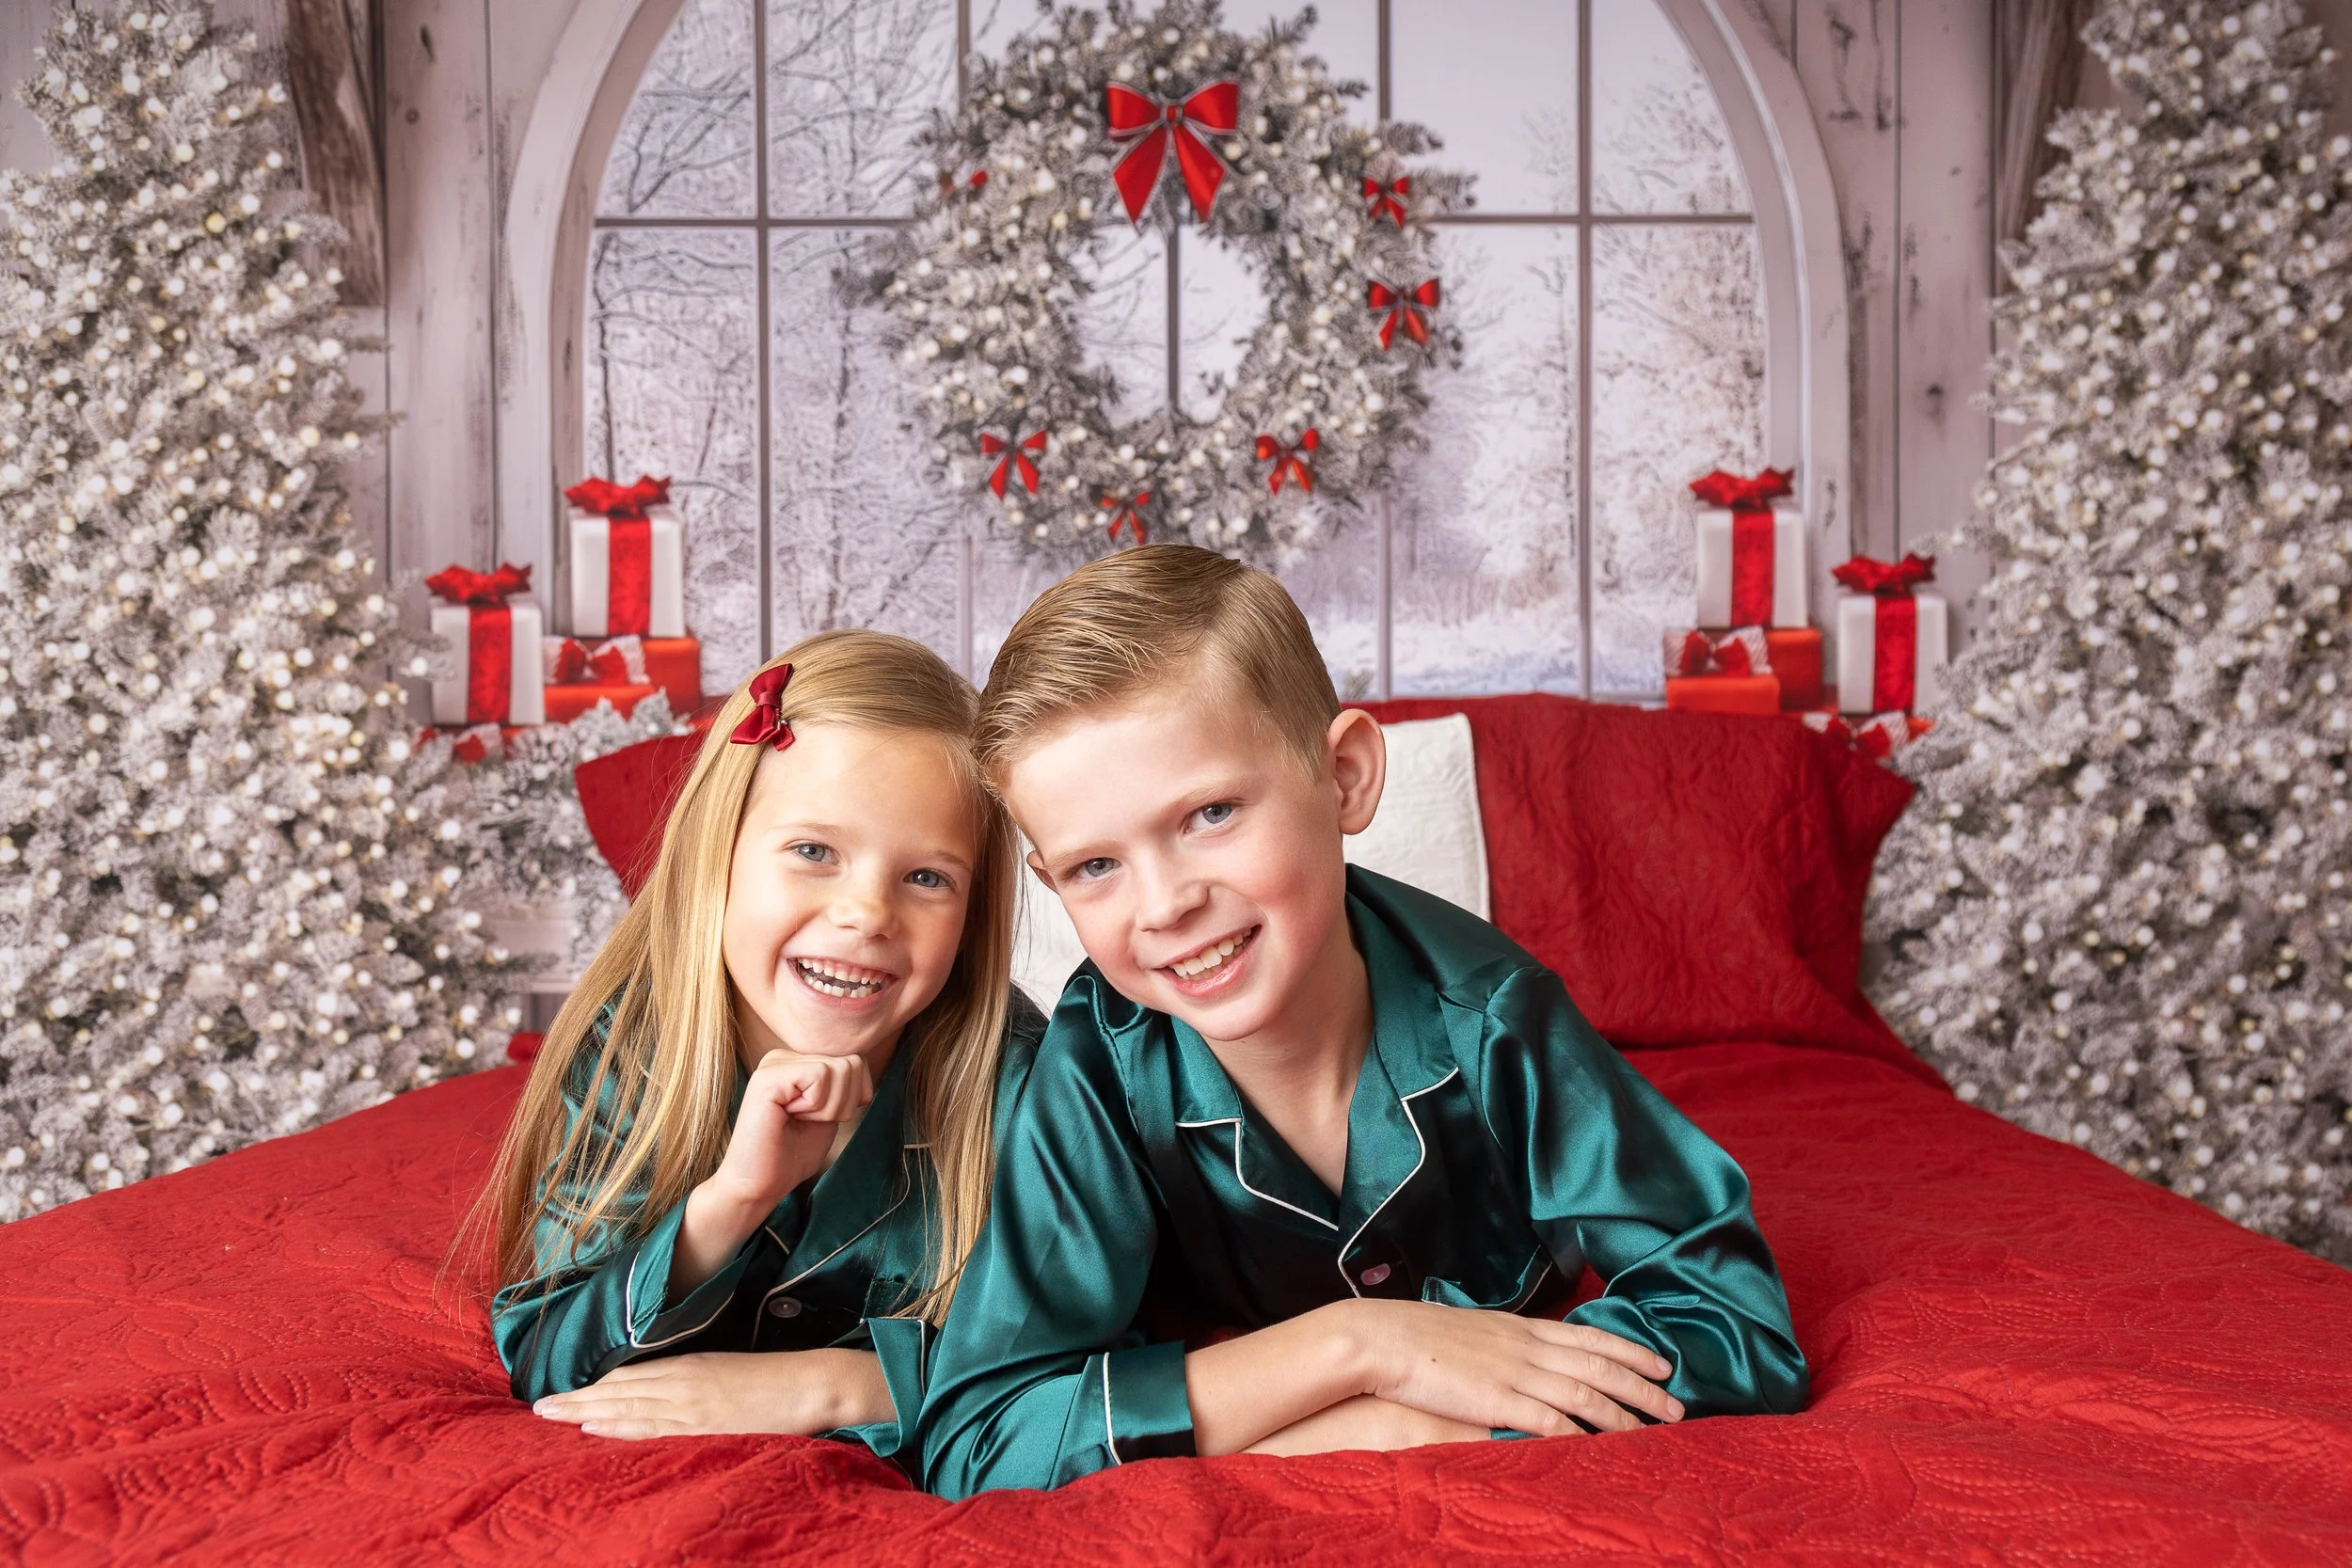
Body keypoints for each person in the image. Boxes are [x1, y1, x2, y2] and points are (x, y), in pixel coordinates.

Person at [917, 546, 1806, 1497]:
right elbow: (978, 1434)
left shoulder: (1497, 1019)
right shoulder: (1098, 1057)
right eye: (1097, 865)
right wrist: (1362, 1352)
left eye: (1209, 812)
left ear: (1343, 776)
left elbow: (1732, 1324)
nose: (1165, 904)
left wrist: (1429, 1413)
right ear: (1051, 881)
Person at [476, 629, 1039, 1469]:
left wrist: (831, 1386)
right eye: (815, 852)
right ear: (721, 856)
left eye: (928, 878)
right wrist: (735, 1198)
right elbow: (551, 1361)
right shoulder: (625, 1048)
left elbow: (1069, 1362)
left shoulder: (1018, 1078)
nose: (867, 914)